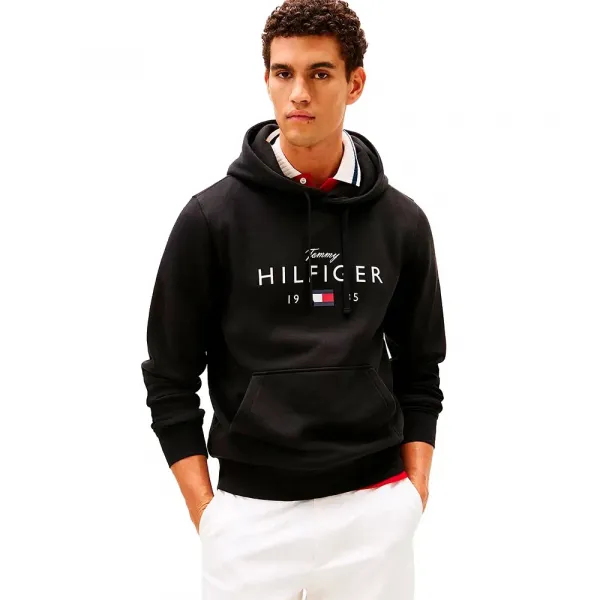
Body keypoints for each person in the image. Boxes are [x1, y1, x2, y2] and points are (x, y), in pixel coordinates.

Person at [140, 1, 446, 598]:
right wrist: (210, 514)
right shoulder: (211, 219)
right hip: (251, 518)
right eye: (284, 73)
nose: (299, 92)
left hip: (375, 510)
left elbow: (421, 368)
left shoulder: (402, 222)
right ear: (267, 79)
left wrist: (413, 491)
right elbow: (170, 378)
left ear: (355, 84)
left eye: (320, 73)